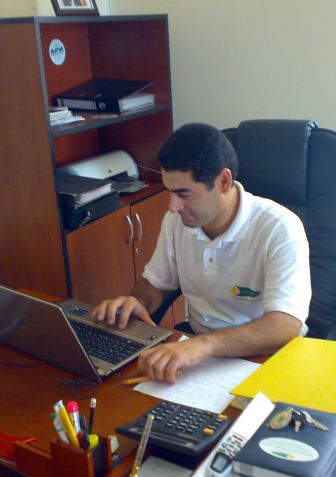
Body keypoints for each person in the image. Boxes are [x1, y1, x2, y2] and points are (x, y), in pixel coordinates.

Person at [92, 123, 311, 383]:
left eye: (184, 194)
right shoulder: (178, 221)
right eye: (170, 192)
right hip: (199, 360)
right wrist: (137, 302)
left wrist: (203, 345)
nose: (173, 206)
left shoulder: (280, 228)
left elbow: (285, 325)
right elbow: (157, 282)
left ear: (224, 181)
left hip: (266, 360)